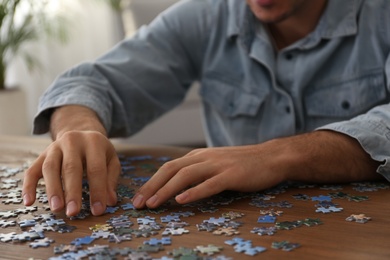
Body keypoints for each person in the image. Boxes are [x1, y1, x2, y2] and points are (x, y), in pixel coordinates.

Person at [22, 0, 390, 217]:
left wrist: (279, 155)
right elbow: (90, 82)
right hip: (239, 234)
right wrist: (77, 127)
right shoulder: (206, 14)